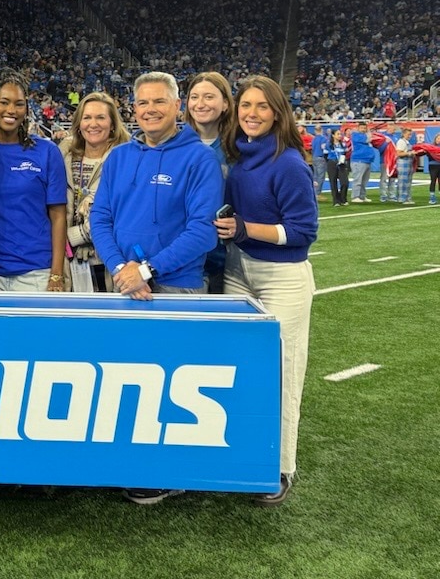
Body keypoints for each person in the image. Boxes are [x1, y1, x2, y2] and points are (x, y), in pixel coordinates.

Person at [90, 71, 222, 506]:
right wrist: (119, 268)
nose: (150, 109)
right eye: (142, 103)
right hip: (124, 285)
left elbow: (203, 232)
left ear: (177, 105)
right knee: (128, 381)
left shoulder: (198, 159)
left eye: (159, 102)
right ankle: (131, 463)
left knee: (174, 384)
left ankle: (171, 472)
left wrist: (146, 270)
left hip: (175, 288)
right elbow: (101, 219)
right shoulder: (120, 157)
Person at [215, 75, 318, 506]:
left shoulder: (289, 162)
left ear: (277, 112)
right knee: (241, 368)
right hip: (240, 269)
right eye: (245, 106)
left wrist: (243, 228)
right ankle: (243, 454)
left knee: (283, 372)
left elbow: (303, 231)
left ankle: (281, 467)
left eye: (261, 106)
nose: (251, 114)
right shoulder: (240, 158)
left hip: (283, 277)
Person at [0, 69, 67, 292]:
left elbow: (58, 216)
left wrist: (56, 274)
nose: (11, 110)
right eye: (4, 102)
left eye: (19, 104)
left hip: (36, 272)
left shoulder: (47, 152)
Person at [60, 91, 130, 292]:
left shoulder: (125, 159)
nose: (93, 124)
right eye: (87, 117)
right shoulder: (64, 156)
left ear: (112, 123)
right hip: (69, 257)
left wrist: (76, 234)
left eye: (100, 117)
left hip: (108, 256)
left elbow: (122, 210)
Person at [183, 71, 234, 293]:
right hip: (183, 260)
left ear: (225, 103)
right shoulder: (174, 145)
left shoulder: (239, 147)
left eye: (209, 97)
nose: (200, 104)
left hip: (227, 261)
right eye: (194, 97)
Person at [348, 122, 374, 203]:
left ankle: (362, 196)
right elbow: (367, 139)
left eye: (365, 128)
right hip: (358, 160)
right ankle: (355, 196)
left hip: (367, 160)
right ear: (358, 128)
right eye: (362, 128)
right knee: (358, 180)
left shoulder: (364, 135)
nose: (363, 130)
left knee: (364, 181)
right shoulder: (355, 135)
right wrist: (369, 133)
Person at [412, 133, 440, 205]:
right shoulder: (430, 147)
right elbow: (419, 153)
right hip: (433, 166)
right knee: (433, 180)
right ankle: (432, 197)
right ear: (435, 139)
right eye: (438, 138)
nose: (439, 140)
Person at [325, 128, 349, 206]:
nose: (340, 136)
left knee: (345, 182)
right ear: (333, 135)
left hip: (341, 164)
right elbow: (325, 155)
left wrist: (342, 161)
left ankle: (343, 198)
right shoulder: (328, 144)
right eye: (338, 134)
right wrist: (331, 162)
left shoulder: (343, 144)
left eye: (340, 134)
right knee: (333, 182)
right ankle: (336, 200)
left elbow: (345, 154)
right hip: (332, 163)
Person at [394, 126, 416, 205]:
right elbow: (399, 153)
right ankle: (402, 198)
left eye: (410, 135)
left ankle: (407, 198)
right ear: (403, 134)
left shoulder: (407, 142)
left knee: (408, 181)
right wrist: (410, 153)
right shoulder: (401, 142)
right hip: (403, 163)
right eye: (408, 134)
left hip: (408, 163)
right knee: (403, 181)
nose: (409, 136)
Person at [310, 124, 330, 201]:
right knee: (320, 176)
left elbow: (312, 148)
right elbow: (324, 148)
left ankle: (314, 192)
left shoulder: (314, 138)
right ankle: (317, 193)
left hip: (314, 157)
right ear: (321, 130)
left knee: (315, 175)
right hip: (321, 157)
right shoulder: (323, 138)